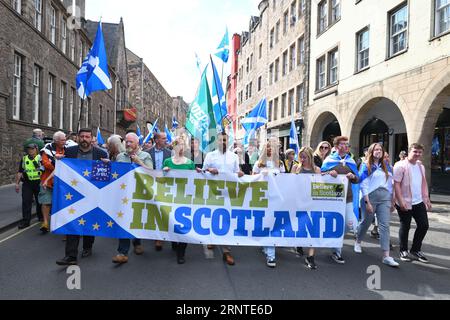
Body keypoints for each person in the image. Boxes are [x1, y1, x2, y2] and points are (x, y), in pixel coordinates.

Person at [56, 128, 108, 266]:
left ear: (92, 138)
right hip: (74, 194)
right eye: (82, 136)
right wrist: (60, 160)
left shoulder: (101, 153)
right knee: (72, 223)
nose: (84, 139)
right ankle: (70, 255)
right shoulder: (70, 152)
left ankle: (87, 246)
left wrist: (107, 165)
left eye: (87, 136)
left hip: (92, 194)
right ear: (78, 138)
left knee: (89, 222)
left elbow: (104, 177)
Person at [201, 132, 244, 266]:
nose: (222, 142)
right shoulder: (210, 155)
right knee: (214, 216)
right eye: (220, 140)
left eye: (225, 140)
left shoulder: (234, 157)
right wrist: (209, 170)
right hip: (214, 192)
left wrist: (240, 173)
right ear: (217, 141)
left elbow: (237, 172)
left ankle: (227, 251)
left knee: (227, 219)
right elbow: (203, 172)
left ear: (228, 141)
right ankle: (212, 239)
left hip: (229, 193)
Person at [354, 143, 399, 267]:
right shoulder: (366, 166)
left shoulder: (388, 167)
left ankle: (386, 256)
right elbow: (363, 185)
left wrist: (392, 200)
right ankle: (358, 240)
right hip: (369, 197)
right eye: (376, 149)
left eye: (380, 149)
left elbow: (391, 185)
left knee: (384, 225)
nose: (378, 151)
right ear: (371, 152)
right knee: (366, 222)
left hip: (385, 198)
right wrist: (367, 202)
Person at [112, 133, 153, 265]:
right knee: (123, 220)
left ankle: (137, 242)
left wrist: (138, 162)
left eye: (131, 142)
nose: (128, 144)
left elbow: (151, 172)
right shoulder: (119, 157)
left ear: (137, 143)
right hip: (123, 194)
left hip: (139, 194)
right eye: (126, 142)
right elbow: (115, 173)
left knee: (136, 220)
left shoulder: (145, 156)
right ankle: (122, 252)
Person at [321, 136, 360, 264]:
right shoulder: (329, 160)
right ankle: (336, 251)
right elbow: (320, 175)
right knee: (336, 223)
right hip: (333, 197)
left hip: (348, 197)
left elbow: (357, 179)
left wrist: (353, 175)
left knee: (350, 224)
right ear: (336, 146)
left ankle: (334, 239)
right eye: (342, 144)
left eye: (347, 144)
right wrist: (329, 173)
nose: (345, 146)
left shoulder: (351, 161)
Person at [394, 143, 432, 263]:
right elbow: (396, 184)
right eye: (415, 151)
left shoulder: (421, 166)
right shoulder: (400, 165)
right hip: (404, 201)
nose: (417, 154)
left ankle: (415, 250)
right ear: (409, 151)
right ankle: (403, 250)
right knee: (405, 226)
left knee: (424, 225)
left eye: (420, 152)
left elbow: (423, 183)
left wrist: (426, 198)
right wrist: (400, 201)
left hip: (418, 201)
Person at [163, 136, 196, 264]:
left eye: (183, 145)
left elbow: (195, 180)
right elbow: (160, 179)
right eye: (178, 145)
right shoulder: (167, 162)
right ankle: (174, 241)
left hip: (185, 198)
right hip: (170, 197)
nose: (181, 147)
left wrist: (199, 172)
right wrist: (164, 172)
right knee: (172, 221)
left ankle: (181, 252)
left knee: (184, 223)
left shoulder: (189, 163)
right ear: (174, 146)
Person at [252, 138, 284, 268]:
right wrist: (261, 176)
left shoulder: (280, 163)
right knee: (265, 222)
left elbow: (286, 180)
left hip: (276, 198)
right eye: (268, 147)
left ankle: (270, 251)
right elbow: (252, 179)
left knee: (272, 223)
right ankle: (268, 250)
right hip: (263, 197)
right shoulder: (259, 163)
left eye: (273, 147)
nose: (271, 149)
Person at [292, 147, 321, 269]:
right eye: (301, 157)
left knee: (313, 227)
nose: (302, 159)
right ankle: (299, 244)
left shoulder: (316, 169)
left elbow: (319, 186)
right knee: (300, 225)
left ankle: (311, 256)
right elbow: (289, 184)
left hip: (312, 202)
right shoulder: (296, 168)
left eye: (305, 157)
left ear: (310, 157)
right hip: (298, 201)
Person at [146, 132, 171, 251]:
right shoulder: (147, 153)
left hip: (165, 185)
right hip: (150, 184)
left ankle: (160, 237)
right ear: (156, 140)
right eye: (164, 138)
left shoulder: (170, 153)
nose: (166, 140)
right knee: (152, 209)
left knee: (163, 209)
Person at [38, 131, 66, 233]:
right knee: (46, 202)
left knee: (62, 203)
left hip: (63, 181)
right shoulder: (46, 150)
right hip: (47, 180)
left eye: (65, 139)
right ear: (56, 140)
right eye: (62, 140)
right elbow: (46, 163)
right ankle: (45, 222)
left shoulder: (68, 149)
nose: (65, 141)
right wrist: (60, 165)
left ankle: (61, 224)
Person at [15, 143, 43, 229]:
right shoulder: (24, 159)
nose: (30, 150)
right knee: (26, 202)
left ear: (36, 149)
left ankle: (41, 217)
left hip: (39, 182)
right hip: (27, 183)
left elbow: (46, 169)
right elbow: (20, 172)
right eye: (29, 149)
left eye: (32, 149)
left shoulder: (40, 158)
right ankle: (26, 221)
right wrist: (17, 183)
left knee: (40, 201)